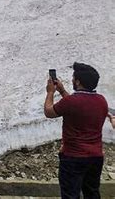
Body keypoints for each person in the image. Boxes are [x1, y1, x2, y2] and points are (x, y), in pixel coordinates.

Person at [44, 62, 108, 199]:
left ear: (78, 81)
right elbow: (78, 105)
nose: (72, 80)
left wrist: (50, 92)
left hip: (73, 157)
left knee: (70, 195)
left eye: (73, 77)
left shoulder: (72, 102)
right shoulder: (102, 101)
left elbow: (49, 112)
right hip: (96, 156)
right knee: (92, 193)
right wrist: (61, 91)